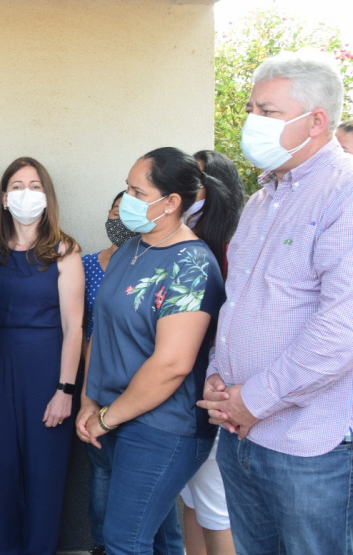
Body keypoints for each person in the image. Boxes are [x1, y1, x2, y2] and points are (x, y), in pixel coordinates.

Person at [199, 50, 353, 555]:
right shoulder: (265, 198)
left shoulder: (343, 192)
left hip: (309, 446)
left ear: (316, 122)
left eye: (267, 112)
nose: (252, 123)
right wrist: (220, 379)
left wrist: (252, 400)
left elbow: (340, 331)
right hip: (242, 433)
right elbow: (238, 302)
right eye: (250, 109)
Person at [76, 147, 225, 555]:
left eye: (137, 192)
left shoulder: (192, 264)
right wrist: (90, 401)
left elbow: (172, 364)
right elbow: (100, 332)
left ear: (172, 202)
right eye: (126, 189)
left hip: (161, 426)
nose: (126, 200)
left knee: (125, 541)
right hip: (111, 416)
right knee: (155, 538)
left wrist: (107, 417)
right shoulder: (130, 249)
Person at [0, 157, 84, 554]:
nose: (27, 193)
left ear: (47, 195)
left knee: (45, 477)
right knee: (0, 471)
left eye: (36, 186)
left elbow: (74, 326)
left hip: (46, 371)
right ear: (5, 198)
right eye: (18, 186)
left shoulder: (63, 250)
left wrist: (66, 390)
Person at [178, 150, 245, 555]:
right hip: (184, 393)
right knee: (191, 499)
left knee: (215, 506)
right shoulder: (182, 241)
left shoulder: (233, 247)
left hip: (217, 391)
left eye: (195, 182)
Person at [80, 190, 134, 555]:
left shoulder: (152, 265)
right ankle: (102, 546)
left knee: (138, 478)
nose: (119, 220)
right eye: (114, 211)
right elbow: (82, 330)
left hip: (142, 385)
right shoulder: (86, 266)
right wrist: (86, 393)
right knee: (103, 470)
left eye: (127, 212)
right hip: (97, 382)